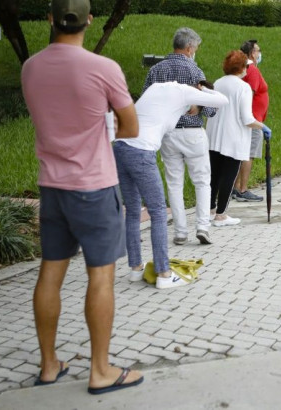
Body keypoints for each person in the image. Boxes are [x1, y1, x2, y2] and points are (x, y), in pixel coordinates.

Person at [21, 0, 144, 394]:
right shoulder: (102, 68)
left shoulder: (30, 68)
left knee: (50, 273)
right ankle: (100, 370)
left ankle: (49, 365)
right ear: (90, 20)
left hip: (51, 187)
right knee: (101, 277)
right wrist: (100, 136)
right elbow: (131, 126)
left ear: (49, 19)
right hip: (93, 186)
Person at [114, 82, 228, 289]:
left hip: (120, 147)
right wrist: (202, 91)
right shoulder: (185, 93)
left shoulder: (156, 87)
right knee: (158, 212)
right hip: (141, 152)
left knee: (132, 210)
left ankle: (135, 269)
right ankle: (164, 274)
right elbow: (222, 100)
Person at [143, 27, 217, 246]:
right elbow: (211, 109)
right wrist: (199, 108)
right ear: (189, 47)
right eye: (196, 48)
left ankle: (180, 232)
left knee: (174, 183)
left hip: (168, 134)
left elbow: (146, 102)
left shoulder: (156, 71)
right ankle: (203, 227)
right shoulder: (195, 72)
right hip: (193, 133)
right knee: (202, 181)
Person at [206, 50, 271, 226]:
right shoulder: (243, 87)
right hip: (233, 139)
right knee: (228, 175)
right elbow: (247, 118)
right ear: (241, 67)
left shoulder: (218, 83)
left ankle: (210, 210)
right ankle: (221, 215)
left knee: (214, 175)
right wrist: (262, 126)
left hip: (214, 137)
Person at [233, 39, 269, 202]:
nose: (259, 54)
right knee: (249, 154)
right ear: (251, 53)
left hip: (248, 117)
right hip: (253, 119)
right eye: (257, 50)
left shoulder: (243, 69)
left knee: (241, 154)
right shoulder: (252, 70)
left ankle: (235, 188)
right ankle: (243, 189)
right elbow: (250, 93)